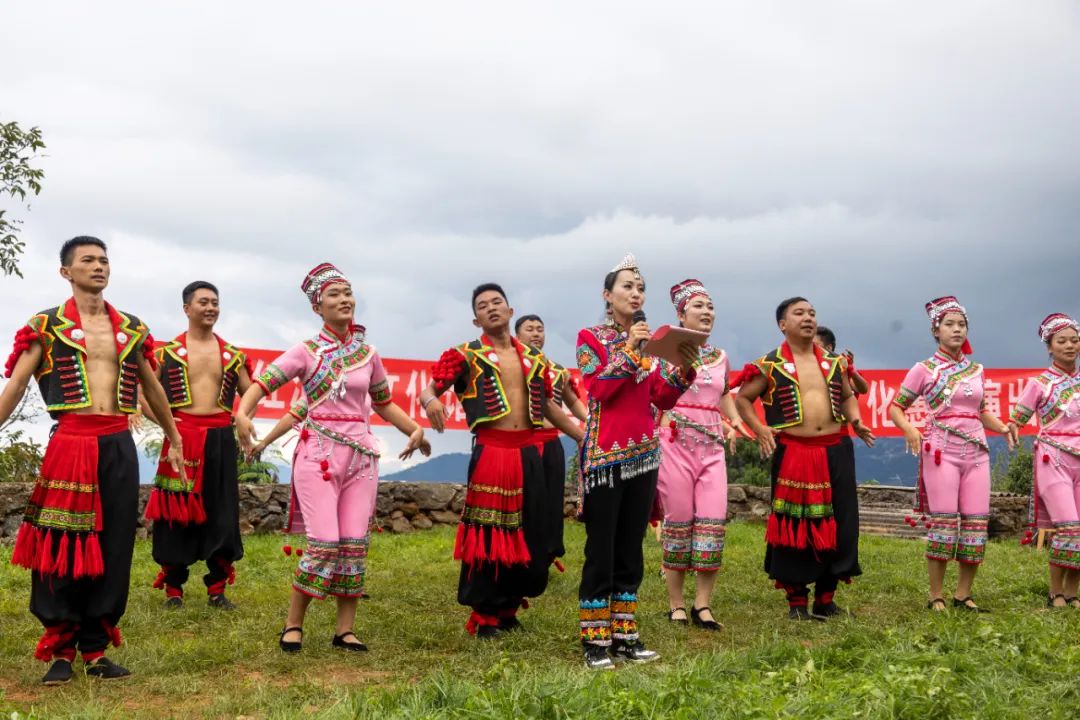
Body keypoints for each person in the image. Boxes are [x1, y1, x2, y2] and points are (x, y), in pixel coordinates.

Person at [1, 236, 184, 684]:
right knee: (62, 543)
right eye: (88, 260)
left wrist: (174, 436)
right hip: (71, 442)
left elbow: (153, 389)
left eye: (104, 260)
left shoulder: (132, 328)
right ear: (67, 271)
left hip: (117, 442)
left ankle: (96, 648)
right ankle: (59, 649)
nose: (99, 266)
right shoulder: (46, 325)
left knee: (115, 542)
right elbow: (18, 384)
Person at [235, 263, 430, 652]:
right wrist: (243, 413)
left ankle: (345, 630)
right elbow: (262, 384)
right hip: (318, 455)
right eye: (334, 295)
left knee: (354, 543)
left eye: (347, 292)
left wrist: (413, 429)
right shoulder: (305, 352)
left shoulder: (368, 353)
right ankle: (293, 624)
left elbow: (384, 403)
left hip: (362, 459)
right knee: (323, 542)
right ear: (317, 307)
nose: (344, 299)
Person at [420, 284, 584, 638]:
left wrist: (583, 436)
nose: (491, 308)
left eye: (497, 302)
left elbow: (551, 407)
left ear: (510, 312)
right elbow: (430, 389)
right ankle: (485, 615)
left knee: (531, 531)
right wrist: (429, 401)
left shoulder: (535, 358)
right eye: (483, 305)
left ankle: (508, 609)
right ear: (476, 318)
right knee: (491, 534)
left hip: (529, 453)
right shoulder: (465, 355)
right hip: (493, 451)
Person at [575, 254, 697, 669]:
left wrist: (682, 370)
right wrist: (628, 350)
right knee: (602, 549)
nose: (636, 293)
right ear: (608, 296)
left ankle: (626, 634)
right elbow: (598, 390)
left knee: (631, 550)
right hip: (606, 457)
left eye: (640, 287)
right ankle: (595, 640)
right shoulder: (590, 338)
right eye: (627, 286)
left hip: (644, 457)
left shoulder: (653, 346)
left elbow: (661, 398)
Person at [735, 296, 874, 621]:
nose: (808, 318)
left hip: (836, 449)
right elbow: (743, 399)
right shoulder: (769, 365)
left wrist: (855, 420)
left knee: (841, 522)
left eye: (812, 312)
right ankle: (797, 602)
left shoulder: (834, 363)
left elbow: (848, 395)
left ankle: (826, 599)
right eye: (799, 313)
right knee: (795, 525)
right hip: (794, 451)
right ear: (783, 324)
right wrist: (759, 429)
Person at [888, 296, 1017, 612]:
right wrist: (908, 429)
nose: (957, 329)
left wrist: (1001, 428)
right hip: (940, 451)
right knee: (944, 524)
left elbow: (982, 411)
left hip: (976, 453)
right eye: (949, 324)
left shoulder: (977, 370)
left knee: (975, 523)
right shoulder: (924, 369)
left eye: (961, 324)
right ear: (936, 330)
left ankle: (963, 594)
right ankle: (936, 595)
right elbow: (895, 407)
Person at [143, 281, 252, 610]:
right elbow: (141, 392)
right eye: (203, 302)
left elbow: (251, 391)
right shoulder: (166, 353)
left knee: (222, 511)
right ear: (187, 308)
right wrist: (165, 423)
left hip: (220, 435)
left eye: (215, 302)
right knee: (176, 512)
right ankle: (173, 590)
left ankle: (217, 589)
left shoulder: (233, 354)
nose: (210, 308)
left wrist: (243, 416)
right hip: (180, 438)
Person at [656, 279, 746, 631]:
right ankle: (676, 604)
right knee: (678, 522)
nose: (707, 312)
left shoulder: (720, 356)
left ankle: (703, 605)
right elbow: (657, 396)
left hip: (711, 447)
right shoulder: (664, 352)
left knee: (711, 522)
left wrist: (735, 421)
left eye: (710, 307)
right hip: (675, 443)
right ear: (681, 314)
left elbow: (722, 394)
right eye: (699, 307)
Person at [1009, 313, 1080, 608]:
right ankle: (1055, 592)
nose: (1069, 346)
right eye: (1061, 341)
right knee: (1068, 526)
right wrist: (1011, 432)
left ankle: (1073, 591)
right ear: (1049, 347)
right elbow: (1017, 418)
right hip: (1054, 458)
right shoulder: (1039, 384)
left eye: (1074, 340)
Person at [515, 313, 588, 564]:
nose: (536, 334)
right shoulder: (511, 367)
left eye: (540, 329)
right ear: (517, 335)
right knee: (523, 499)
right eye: (530, 329)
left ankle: (546, 553)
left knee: (552, 499)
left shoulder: (557, 371)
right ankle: (518, 552)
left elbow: (574, 403)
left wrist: (593, 423)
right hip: (521, 442)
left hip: (551, 442)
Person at [815, 326, 869, 395]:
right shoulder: (803, 366)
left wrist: (850, 370)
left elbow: (863, 389)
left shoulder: (840, 368)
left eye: (815, 345)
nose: (811, 347)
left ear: (829, 348)